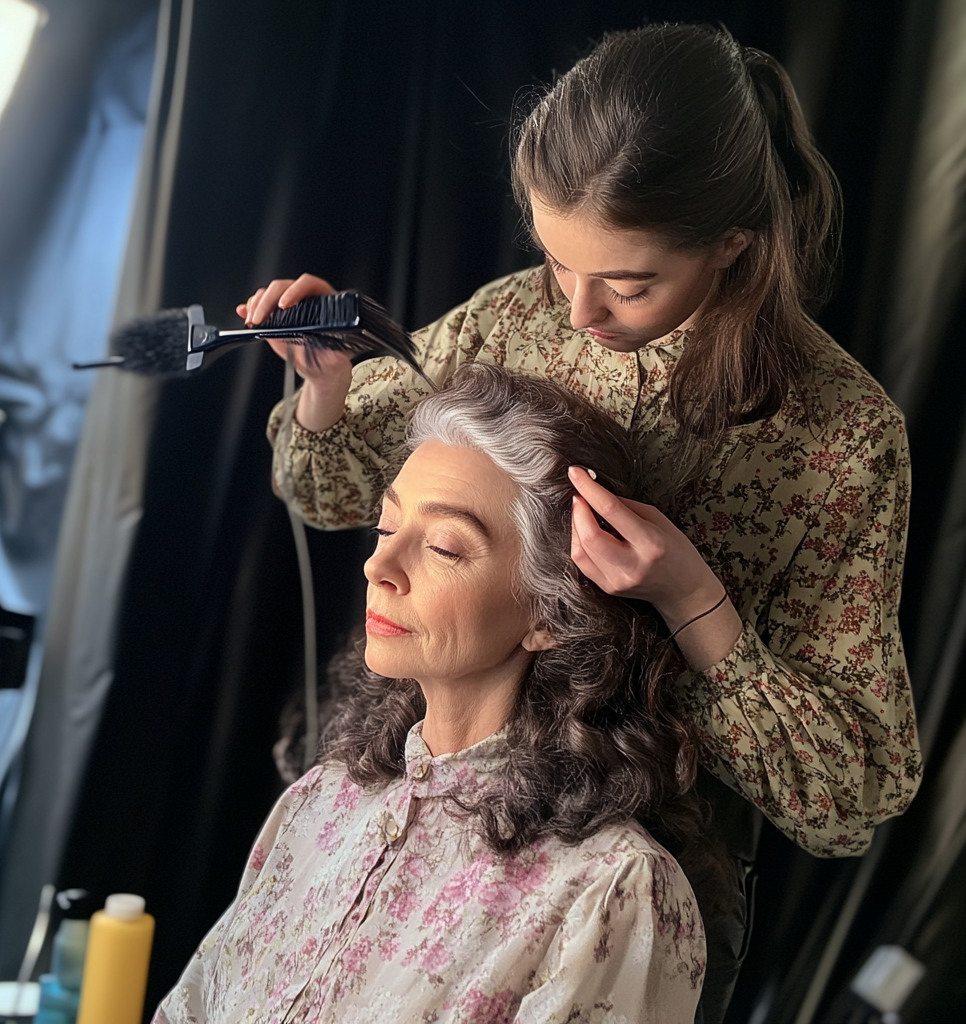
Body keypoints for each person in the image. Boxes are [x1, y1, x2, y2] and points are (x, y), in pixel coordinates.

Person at [241, 23, 921, 1020]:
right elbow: (336, 493)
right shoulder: (513, 316)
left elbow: (850, 791)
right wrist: (323, 394)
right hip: (437, 824)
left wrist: (692, 601)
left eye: (628, 280)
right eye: (559, 263)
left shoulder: (842, 440)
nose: (578, 311)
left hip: (625, 899)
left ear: (732, 241)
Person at [156, 364, 714, 1024]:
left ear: (550, 613)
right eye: (388, 530)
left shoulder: (609, 891)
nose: (378, 566)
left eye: (446, 546)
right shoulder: (321, 803)